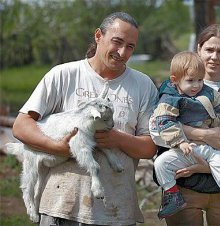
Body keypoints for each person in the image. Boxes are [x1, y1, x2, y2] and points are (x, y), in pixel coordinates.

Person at [12, 12, 158, 226]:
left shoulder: (143, 86)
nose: (122, 52)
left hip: (116, 209)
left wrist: (117, 139)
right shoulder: (63, 75)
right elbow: (21, 125)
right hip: (60, 206)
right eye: (117, 42)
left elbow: (149, 148)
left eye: (130, 47)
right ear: (99, 36)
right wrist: (57, 147)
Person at [150, 22, 220, 226]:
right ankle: (173, 198)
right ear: (198, 49)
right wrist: (201, 134)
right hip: (184, 187)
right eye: (209, 49)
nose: (214, 57)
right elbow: (155, 131)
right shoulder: (173, 88)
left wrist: (206, 168)